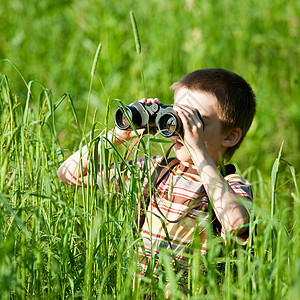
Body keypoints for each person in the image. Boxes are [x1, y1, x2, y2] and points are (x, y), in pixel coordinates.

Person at [57, 68, 256, 286]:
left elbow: (236, 223)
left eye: (196, 122)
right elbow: (69, 173)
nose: (183, 129)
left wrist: (199, 153)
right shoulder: (155, 170)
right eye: (178, 117)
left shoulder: (229, 185)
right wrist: (120, 134)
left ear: (230, 136)